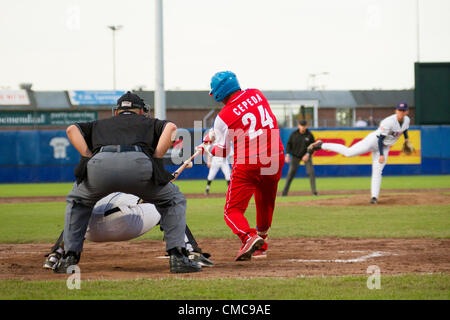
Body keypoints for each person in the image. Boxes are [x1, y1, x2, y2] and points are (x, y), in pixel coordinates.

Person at [53, 91, 201, 274]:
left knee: (77, 202)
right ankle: (178, 257)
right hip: (139, 164)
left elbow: (71, 130)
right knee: (173, 200)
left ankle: (68, 258)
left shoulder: (100, 124)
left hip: (99, 165)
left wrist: (88, 155)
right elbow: (171, 128)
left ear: (117, 112)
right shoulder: (149, 122)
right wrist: (156, 157)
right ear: (140, 111)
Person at [196, 71, 285, 261]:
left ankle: (248, 236)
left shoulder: (223, 116)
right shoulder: (256, 93)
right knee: (265, 202)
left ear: (219, 92)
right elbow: (247, 115)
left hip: (249, 162)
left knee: (232, 211)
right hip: (275, 156)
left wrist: (208, 148)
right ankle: (261, 246)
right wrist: (215, 133)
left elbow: (223, 152)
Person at [43, 192, 213, 269]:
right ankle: (191, 252)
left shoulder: (94, 173)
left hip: (89, 229)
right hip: (125, 223)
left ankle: (55, 255)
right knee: (168, 209)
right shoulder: (136, 169)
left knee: (77, 215)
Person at [307, 102, 411, 204]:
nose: (401, 112)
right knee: (348, 152)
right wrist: (381, 155)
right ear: (396, 110)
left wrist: (406, 139)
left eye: (403, 110)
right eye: (399, 110)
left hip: (385, 146)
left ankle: (374, 197)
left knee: (377, 171)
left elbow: (404, 129)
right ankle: (321, 145)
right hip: (374, 141)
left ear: (407, 111)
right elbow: (380, 139)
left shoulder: (407, 120)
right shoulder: (388, 121)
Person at [282, 120, 317, 196]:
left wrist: (307, 154)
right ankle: (284, 193)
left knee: (311, 172)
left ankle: (314, 192)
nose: (303, 127)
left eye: (304, 126)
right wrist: (287, 155)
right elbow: (288, 145)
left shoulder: (309, 135)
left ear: (306, 126)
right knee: (290, 174)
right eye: (301, 125)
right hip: (295, 156)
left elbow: (313, 147)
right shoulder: (294, 134)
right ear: (298, 126)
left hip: (306, 156)